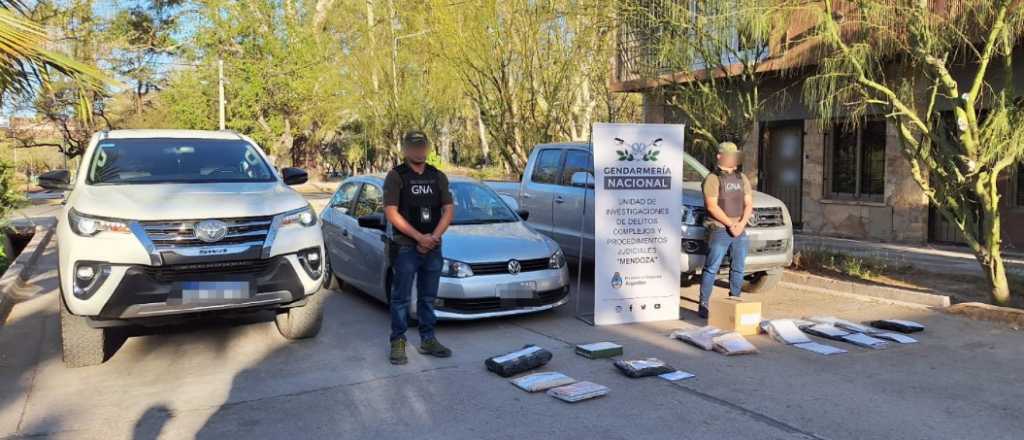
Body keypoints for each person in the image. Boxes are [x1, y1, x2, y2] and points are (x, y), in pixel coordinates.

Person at [383, 131, 455, 365]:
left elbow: (448, 210)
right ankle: (398, 342)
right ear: (405, 150)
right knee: (401, 298)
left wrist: (433, 237)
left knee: (427, 298)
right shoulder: (396, 176)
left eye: (422, 146)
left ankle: (428, 339)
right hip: (405, 248)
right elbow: (391, 212)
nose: (418, 151)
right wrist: (418, 238)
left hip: (433, 247)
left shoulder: (438, 176)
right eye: (413, 147)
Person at [698, 141, 754, 319]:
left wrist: (742, 224)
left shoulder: (741, 178)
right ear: (720, 156)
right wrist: (730, 225)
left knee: (739, 267)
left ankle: (735, 300)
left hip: (740, 230)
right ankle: (704, 304)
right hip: (720, 229)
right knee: (711, 268)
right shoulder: (712, 178)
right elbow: (712, 207)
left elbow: (749, 203)